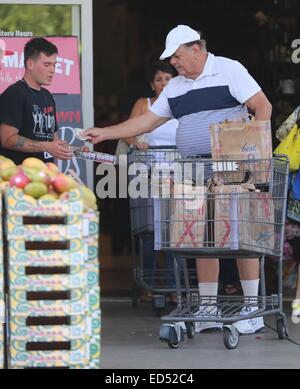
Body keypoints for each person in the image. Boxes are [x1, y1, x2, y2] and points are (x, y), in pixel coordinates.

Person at [83, 25, 272, 334]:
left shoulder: (228, 69)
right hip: (193, 170)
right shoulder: (176, 86)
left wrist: (253, 148)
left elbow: (262, 106)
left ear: (195, 49)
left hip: (233, 165)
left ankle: (252, 309)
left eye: (177, 56)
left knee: (241, 234)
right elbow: (147, 120)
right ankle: (208, 308)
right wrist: (104, 132)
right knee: (201, 237)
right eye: (171, 59)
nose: (173, 63)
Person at [117, 61, 179, 303]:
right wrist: (137, 143)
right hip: (148, 175)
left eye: (168, 78)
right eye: (159, 79)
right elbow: (128, 131)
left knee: (176, 234)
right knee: (150, 232)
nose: (163, 83)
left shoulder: (183, 105)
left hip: (179, 178)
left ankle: (175, 287)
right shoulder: (145, 104)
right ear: (151, 84)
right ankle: (148, 285)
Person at [0, 37, 73, 165]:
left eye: (54, 65)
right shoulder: (14, 94)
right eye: (47, 64)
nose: (52, 70)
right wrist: (45, 146)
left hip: (46, 173)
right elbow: (7, 139)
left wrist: (75, 151)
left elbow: (53, 141)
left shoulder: (48, 96)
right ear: (30, 64)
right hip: (18, 175)